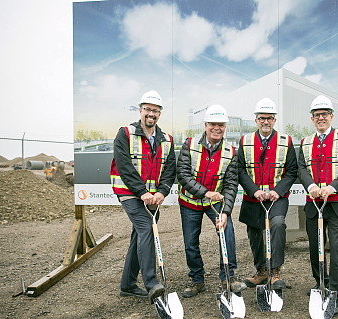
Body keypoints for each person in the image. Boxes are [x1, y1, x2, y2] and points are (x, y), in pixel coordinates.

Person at [110, 90, 176, 303]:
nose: (151, 114)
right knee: (146, 227)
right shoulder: (125, 133)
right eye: (147, 109)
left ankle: (128, 285)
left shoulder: (167, 139)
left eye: (155, 110)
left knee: (139, 236)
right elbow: (124, 166)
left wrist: (161, 191)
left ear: (160, 114)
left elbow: (170, 169)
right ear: (140, 110)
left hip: (152, 197)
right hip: (130, 193)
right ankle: (151, 283)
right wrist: (142, 192)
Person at [297, 95, 338, 317]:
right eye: (316, 115)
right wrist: (311, 185)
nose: (321, 118)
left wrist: (333, 187)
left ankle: (337, 293)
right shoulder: (305, 142)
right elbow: (302, 169)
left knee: (337, 248)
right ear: (312, 119)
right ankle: (320, 282)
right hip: (314, 204)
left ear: (332, 116)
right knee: (315, 246)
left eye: (324, 114)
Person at [177, 104, 245, 298]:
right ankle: (197, 280)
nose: (217, 128)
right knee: (191, 242)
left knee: (227, 234)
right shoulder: (189, 145)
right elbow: (182, 175)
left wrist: (225, 212)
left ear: (225, 127)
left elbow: (231, 184)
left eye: (221, 125)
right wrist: (206, 192)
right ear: (205, 124)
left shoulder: (232, 151)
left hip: (215, 203)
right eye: (213, 124)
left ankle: (228, 277)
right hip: (190, 202)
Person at [237, 98, 298, 290]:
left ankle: (275, 271)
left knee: (278, 224)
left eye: (270, 118)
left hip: (276, 198)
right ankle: (262, 271)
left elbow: (292, 170)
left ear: (274, 120)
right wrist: (254, 191)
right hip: (253, 197)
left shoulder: (285, 141)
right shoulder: (245, 141)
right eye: (262, 118)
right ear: (256, 119)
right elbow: (240, 170)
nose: (266, 122)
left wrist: (277, 191)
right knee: (254, 232)